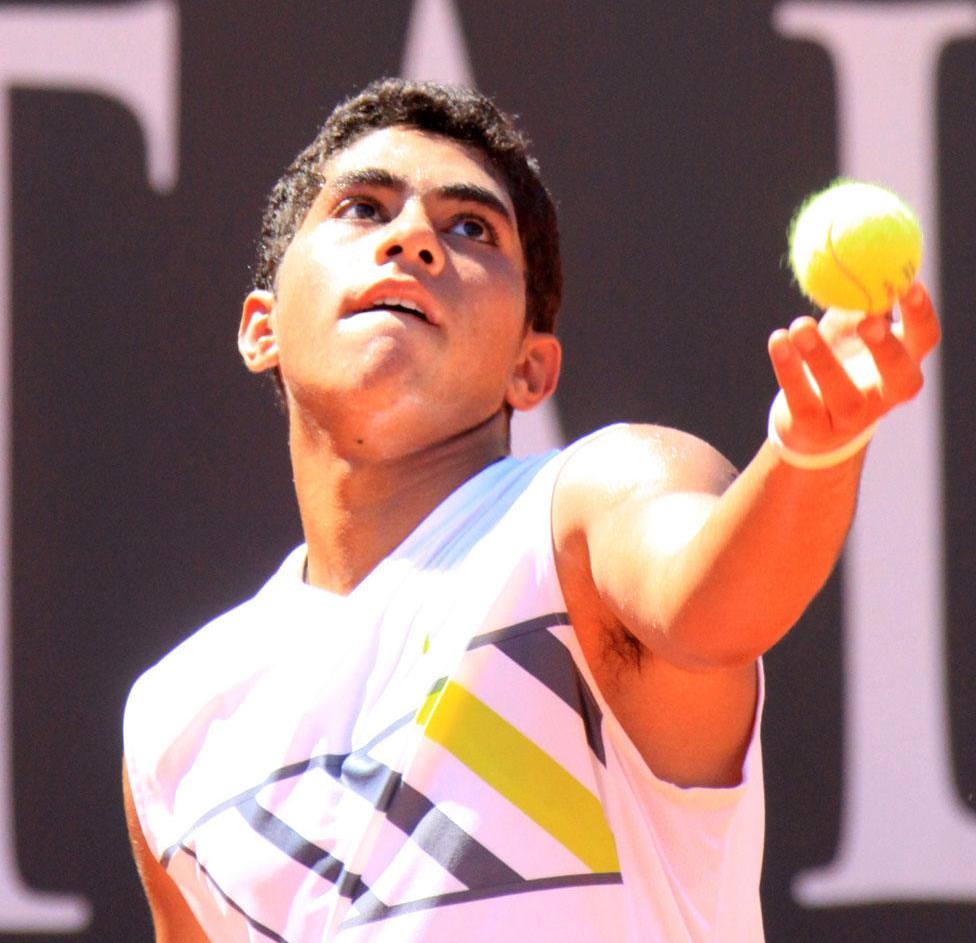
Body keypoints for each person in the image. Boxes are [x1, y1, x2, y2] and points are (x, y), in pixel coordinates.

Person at [121, 78, 940, 943]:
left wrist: (810, 452)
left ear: (531, 370)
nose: (413, 241)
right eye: (363, 209)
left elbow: (711, 606)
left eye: (470, 228)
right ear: (264, 328)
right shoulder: (173, 721)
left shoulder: (584, 510)